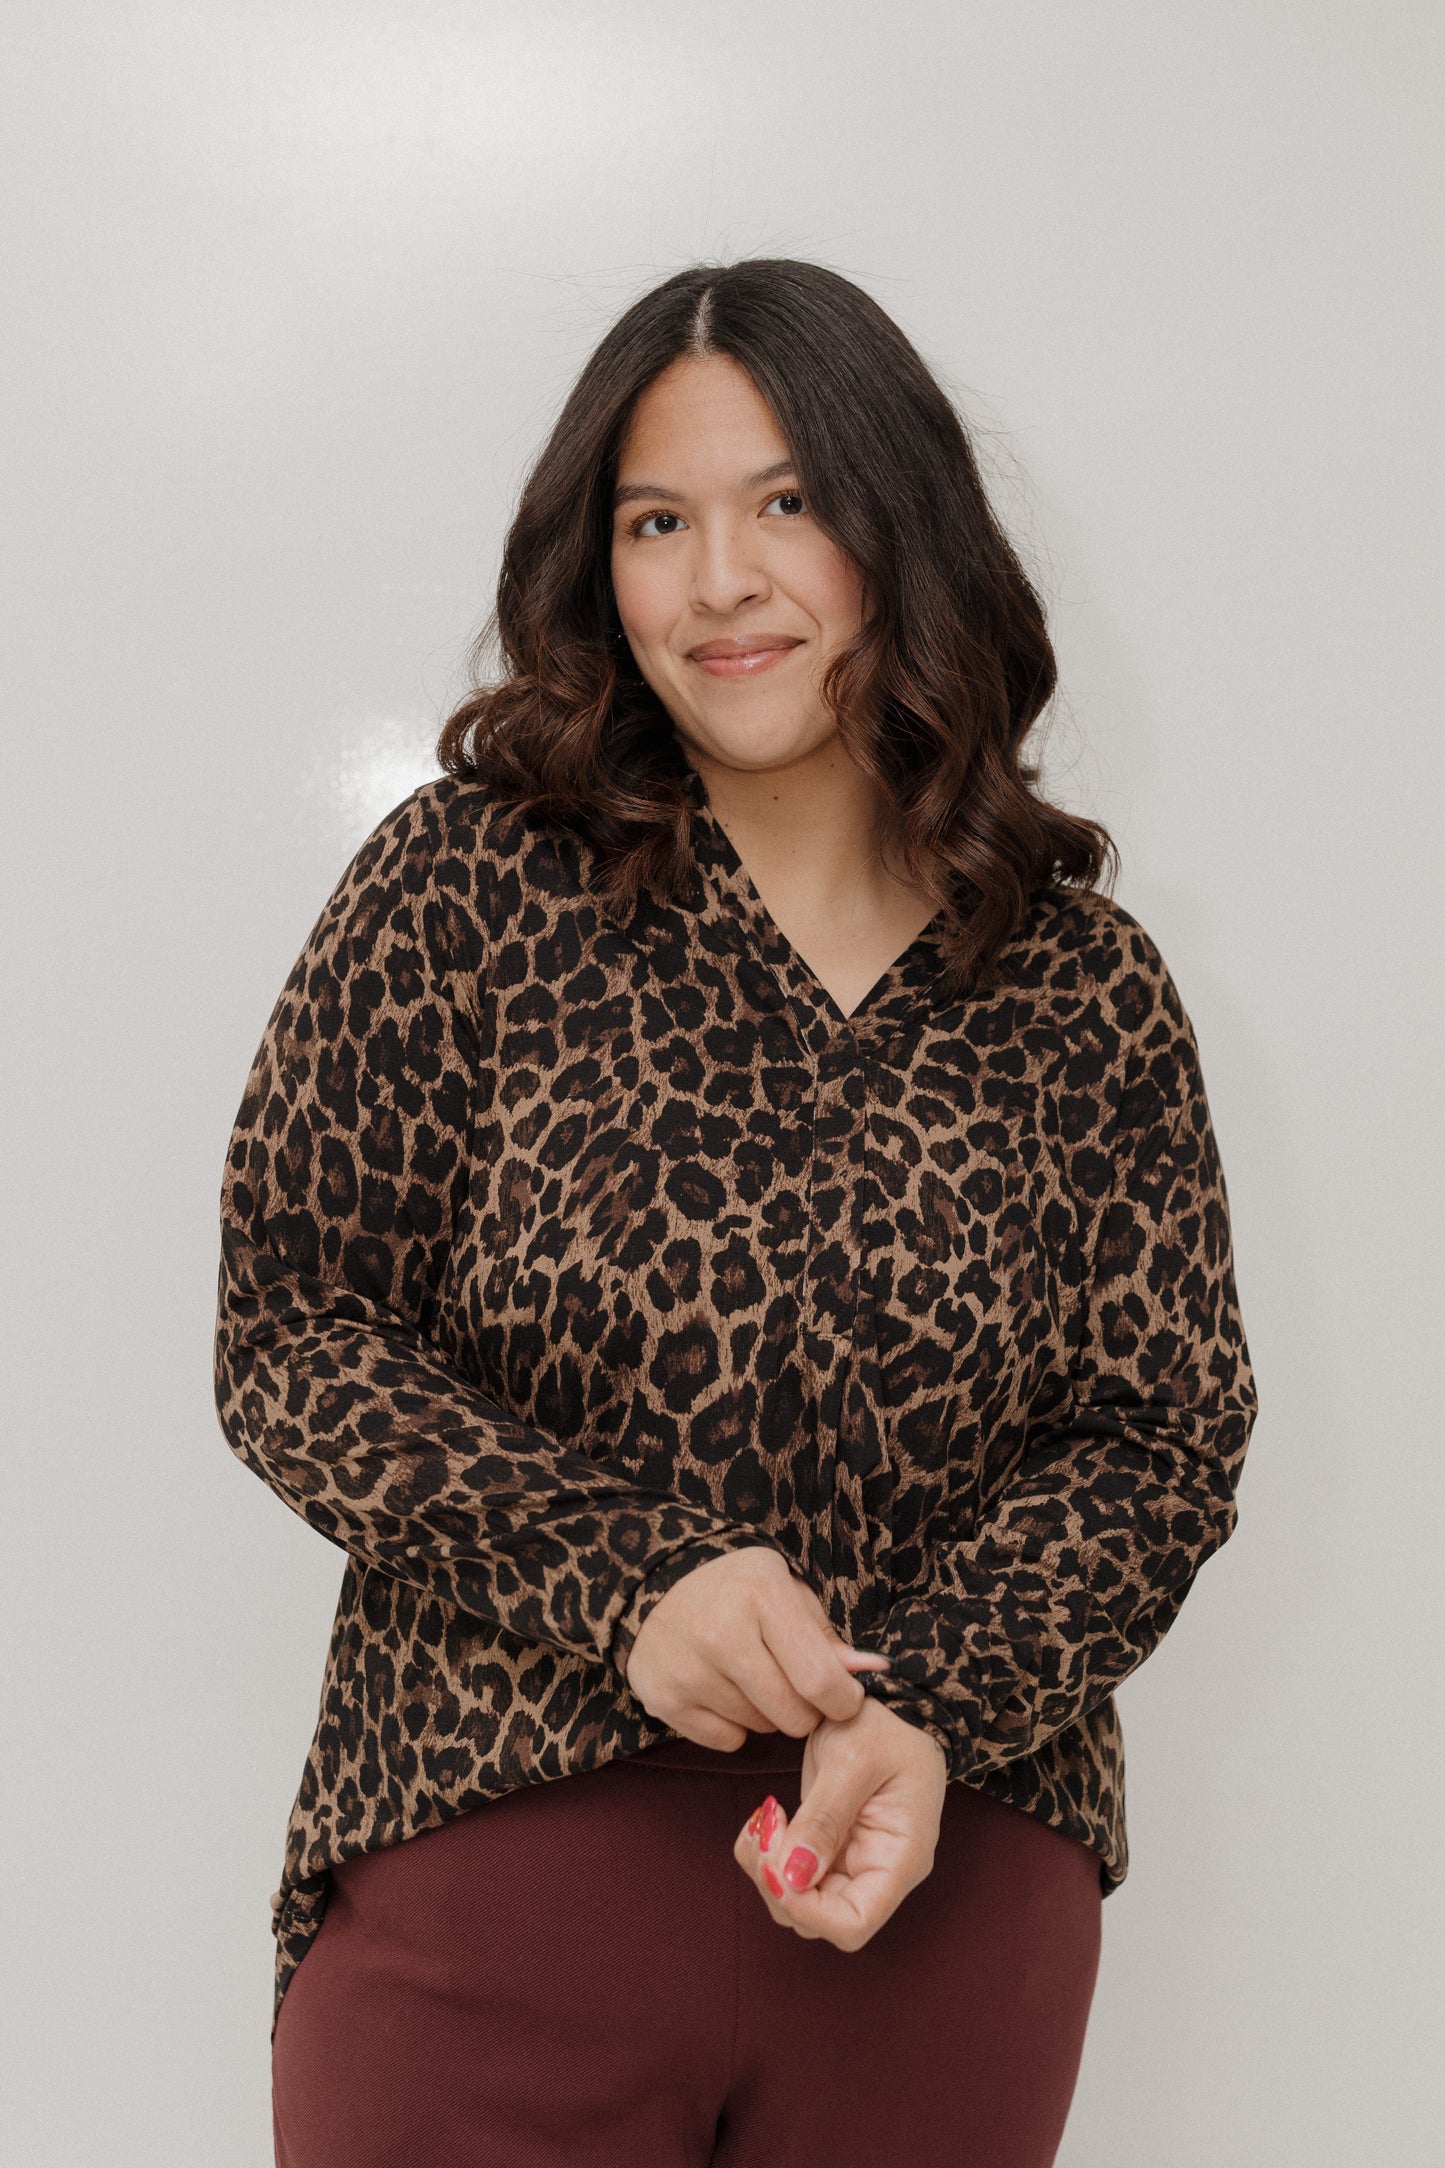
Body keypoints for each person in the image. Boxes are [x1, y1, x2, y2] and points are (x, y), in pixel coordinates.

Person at [214, 257, 1259, 2168]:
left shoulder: (1079, 988)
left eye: (786, 504)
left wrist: (930, 1702)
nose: (718, 583)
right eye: (656, 523)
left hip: (934, 1894)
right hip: (496, 1865)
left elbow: (1159, 1440)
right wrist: (631, 1586)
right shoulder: (468, 890)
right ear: (593, 568)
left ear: (898, 528)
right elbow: (295, 1336)